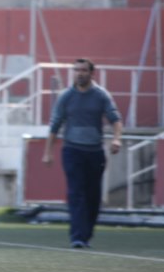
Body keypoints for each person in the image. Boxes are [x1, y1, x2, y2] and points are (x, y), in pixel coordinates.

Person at [42, 58, 122, 249]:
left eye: (83, 70)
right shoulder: (66, 96)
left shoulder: (101, 95)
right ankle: (77, 237)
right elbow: (55, 124)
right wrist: (48, 152)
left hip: (94, 151)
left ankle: (86, 234)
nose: (79, 73)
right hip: (72, 150)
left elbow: (115, 119)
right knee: (76, 193)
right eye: (76, 70)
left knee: (93, 196)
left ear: (91, 73)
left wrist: (116, 138)